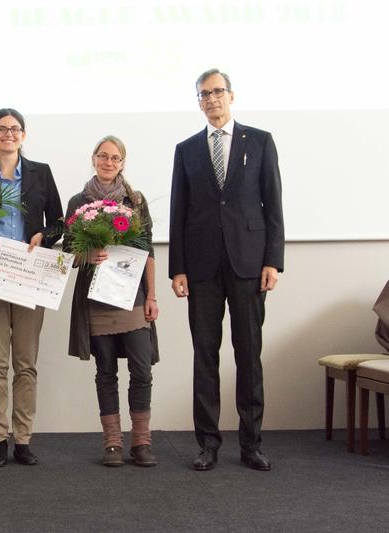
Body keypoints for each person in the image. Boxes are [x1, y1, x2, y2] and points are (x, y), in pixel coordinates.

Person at [169, 68, 285, 471]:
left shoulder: (261, 141)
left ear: (231, 96)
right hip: (201, 266)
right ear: (198, 101)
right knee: (205, 355)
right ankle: (208, 445)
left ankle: (251, 444)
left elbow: (273, 206)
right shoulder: (186, 149)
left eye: (218, 92)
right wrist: (177, 268)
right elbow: (178, 212)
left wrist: (273, 260)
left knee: (249, 354)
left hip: (249, 262)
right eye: (204, 94)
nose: (212, 99)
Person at [0, 108, 63, 467]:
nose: (9, 134)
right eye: (2, 129)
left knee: (26, 363)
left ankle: (22, 439)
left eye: (15, 129)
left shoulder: (41, 173)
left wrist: (44, 235)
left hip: (30, 272)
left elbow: (57, 223)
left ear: (24, 135)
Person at [65, 135, 160, 467]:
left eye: (115, 158)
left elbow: (148, 251)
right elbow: (70, 252)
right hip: (96, 300)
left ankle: (142, 442)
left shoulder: (135, 200)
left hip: (132, 297)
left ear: (122, 163)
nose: (108, 162)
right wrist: (89, 253)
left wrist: (152, 295)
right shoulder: (79, 200)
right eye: (103, 156)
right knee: (105, 371)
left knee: (142, 370)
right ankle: (113, 443)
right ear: (93, 158)